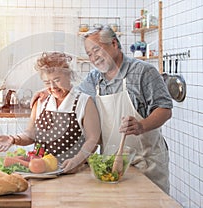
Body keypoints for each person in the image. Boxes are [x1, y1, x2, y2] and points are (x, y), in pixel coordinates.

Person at [31, 26, 173, 194]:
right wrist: (49, 89)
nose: (93, 58)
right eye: (89, 54)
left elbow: (165, 109)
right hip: (111, 164)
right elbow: (72, 94)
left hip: (146, 162)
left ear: (114, 43)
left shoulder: (144, 71)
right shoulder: (94, 78)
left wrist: (141, 125)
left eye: (96, 50)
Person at [0, 52, 101, 174]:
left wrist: (76, 161)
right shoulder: (41, 101)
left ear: (68, 76)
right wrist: (13, 139)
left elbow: (93, 140)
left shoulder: (84, 102)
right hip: (41, 172)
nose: (52, 86)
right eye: (47, 82)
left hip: (73, 172)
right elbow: (30, 134)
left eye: (57, 80)